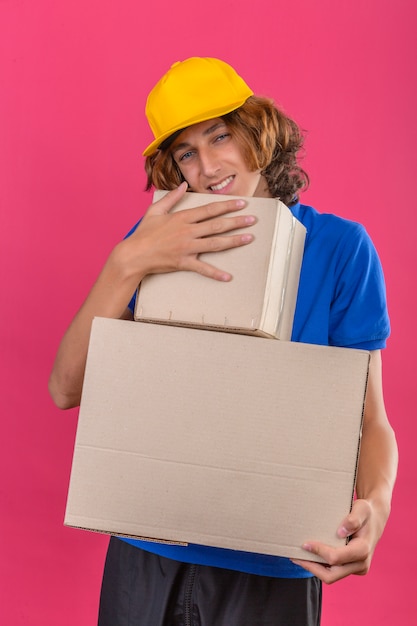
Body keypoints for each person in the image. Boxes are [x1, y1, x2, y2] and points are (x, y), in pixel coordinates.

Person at [49, 57, 398, 626]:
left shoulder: (340, 248)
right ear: (173, 168)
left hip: (278, 561)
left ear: (258, 133)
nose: (209, 165)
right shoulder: (152, 241)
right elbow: (66, 389)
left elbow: (369, 420)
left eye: (221, 135)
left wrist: (377, 505)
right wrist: (128, 261)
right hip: (149, 549)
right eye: (187, 151)